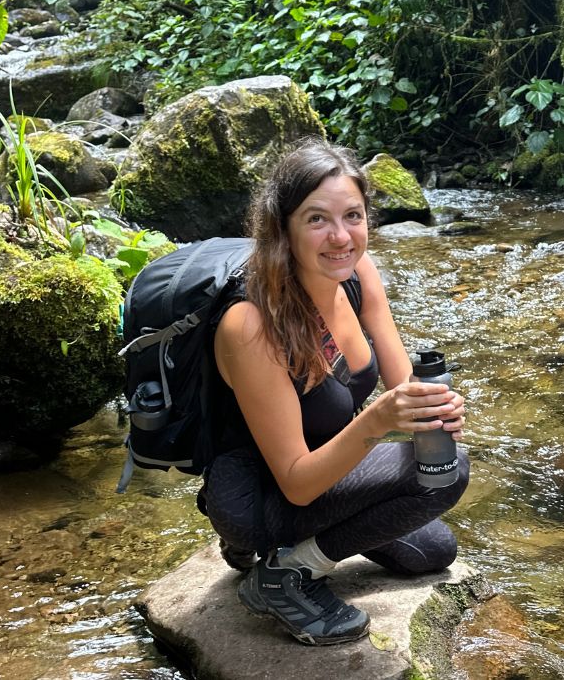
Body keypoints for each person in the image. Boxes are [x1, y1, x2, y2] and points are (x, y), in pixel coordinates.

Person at [199, 137, 470, 646]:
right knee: (445, 473)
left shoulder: (357, 274)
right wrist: (378, 421)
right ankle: (284, 572)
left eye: (354, 215)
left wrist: (432, 408)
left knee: (433, 550)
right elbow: (298, 482)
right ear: (283, 230)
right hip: (262, 492)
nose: (341, 236)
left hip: (326, 467)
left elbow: (402, 385)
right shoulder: (249, 324)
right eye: (317, 219)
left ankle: (290, 551)